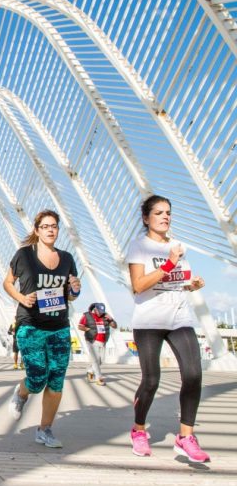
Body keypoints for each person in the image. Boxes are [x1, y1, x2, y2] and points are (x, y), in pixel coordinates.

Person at [126, 195, 209, 462]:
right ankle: (139, 430)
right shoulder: (139, 246)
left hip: (179, 318)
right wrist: (170, 263)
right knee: (151, 381)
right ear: (146, 218)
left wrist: (192, 285)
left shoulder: (177, 246)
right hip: (149, 321)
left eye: (168, 212)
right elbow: (138, 285)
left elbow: (178, 281)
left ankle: (186, 437)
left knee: (193, 374)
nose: (165, 217)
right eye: (159, 212)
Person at [3, 209, 81, 449]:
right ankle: (22, 393)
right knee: (37, 378)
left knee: (56, 381)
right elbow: (8, 282)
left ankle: (44, 430)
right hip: (30, 324)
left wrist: (75, 289)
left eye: (54, 226)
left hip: (59, 326)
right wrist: (22, 298)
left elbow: (71, 295)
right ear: (37, 230)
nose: (50, 230)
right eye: (45, 226)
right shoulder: (24, 255)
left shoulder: (67, 258)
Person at [78, 302, 117, 386]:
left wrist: (111, 319)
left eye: (102, 311)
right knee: (95, 360)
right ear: (95, 309)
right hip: (92, 340)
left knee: (101, 360)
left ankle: (90, 371)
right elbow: (80, 326)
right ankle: (98, 378)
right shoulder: (87, 315)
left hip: (103, 341)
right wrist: (88, 329)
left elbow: (114, 326)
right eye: (99, 311)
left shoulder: (105, 316)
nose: (101, 313)